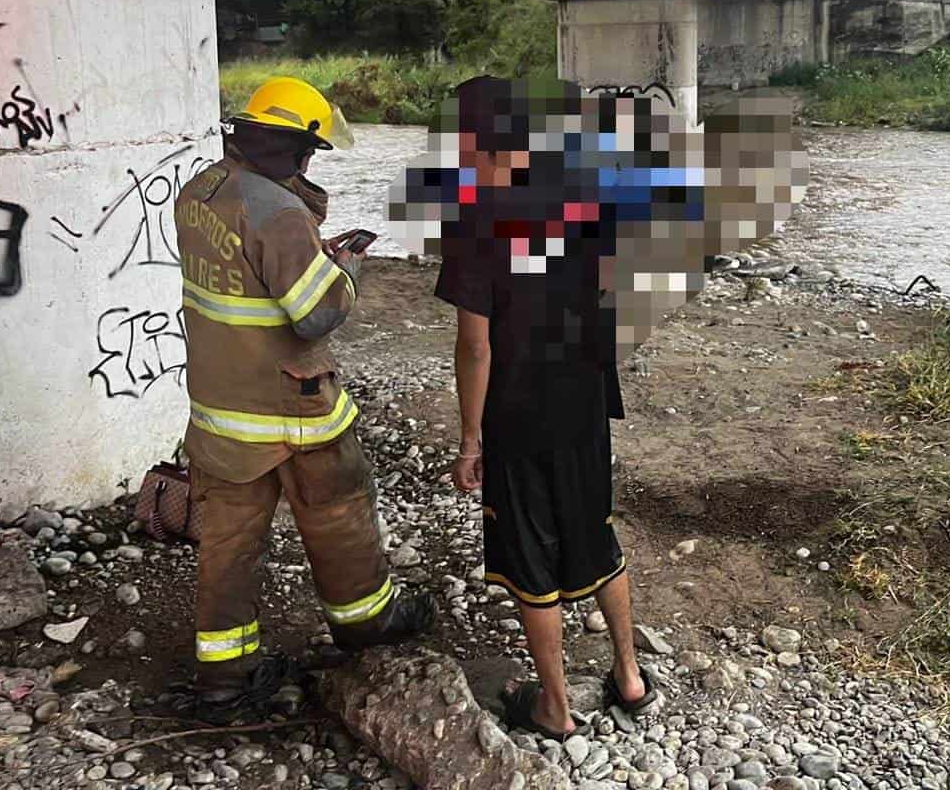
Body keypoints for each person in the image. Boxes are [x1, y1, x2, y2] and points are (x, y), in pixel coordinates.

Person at [175, 76, 433, 714]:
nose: (312, 162)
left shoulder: (202, 190)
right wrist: (344, 270)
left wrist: (305, 250)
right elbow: (314, 314)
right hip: (290, 407)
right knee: (339, 508)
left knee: (229, 544)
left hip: (219, 406)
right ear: (295, 148)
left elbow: (243, 274)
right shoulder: (280, 212)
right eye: (310, 151)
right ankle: (365, 621)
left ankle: (224, 680)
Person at [434, 76, 658, 740]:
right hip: (585, 402)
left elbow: (476, 346)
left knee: (531, 557)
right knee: (595, 533)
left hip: (519, 416)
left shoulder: (474, 221)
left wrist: (470, 440)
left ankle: (555, 707)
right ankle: (629, 676)